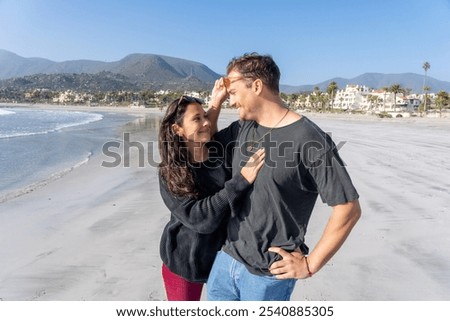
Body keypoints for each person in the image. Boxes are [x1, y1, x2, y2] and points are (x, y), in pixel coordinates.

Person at [207, 53, 362, 301]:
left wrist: (311, 264)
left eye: (233, 92)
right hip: (227, 259)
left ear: (256, 86)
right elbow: (210, 147)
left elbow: (348, 209)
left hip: (268, 276)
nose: (231, 100)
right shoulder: (244, 127)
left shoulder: (310, 139)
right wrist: (215, 103)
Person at [158, 80, 265, 301]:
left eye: (205, 116)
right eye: (197, 118)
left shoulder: (216, 151)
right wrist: (242, 180)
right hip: (184, 263)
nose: (205, 122)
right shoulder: (170, 172)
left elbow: (207, 131)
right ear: (178, 129)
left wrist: (216, 103)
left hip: (222, 258)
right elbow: (199, 219)